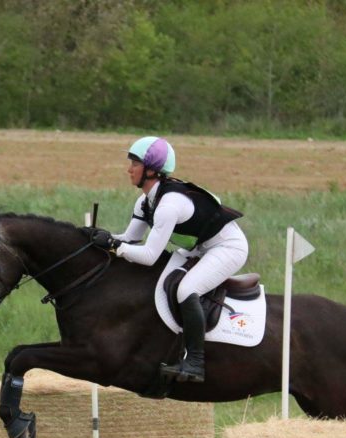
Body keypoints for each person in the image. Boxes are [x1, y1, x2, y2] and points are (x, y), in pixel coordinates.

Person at [90, 136, 248, 382]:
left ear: (151, 170)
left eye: (134, 163)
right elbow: (130, 239)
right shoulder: (146, 201)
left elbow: (149, 256)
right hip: (200, 247)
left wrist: (113, 245)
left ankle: (195, 362)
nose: (128, 169)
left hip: (227, 247)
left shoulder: (168, 205)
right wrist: (103, 238)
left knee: (186, 289)